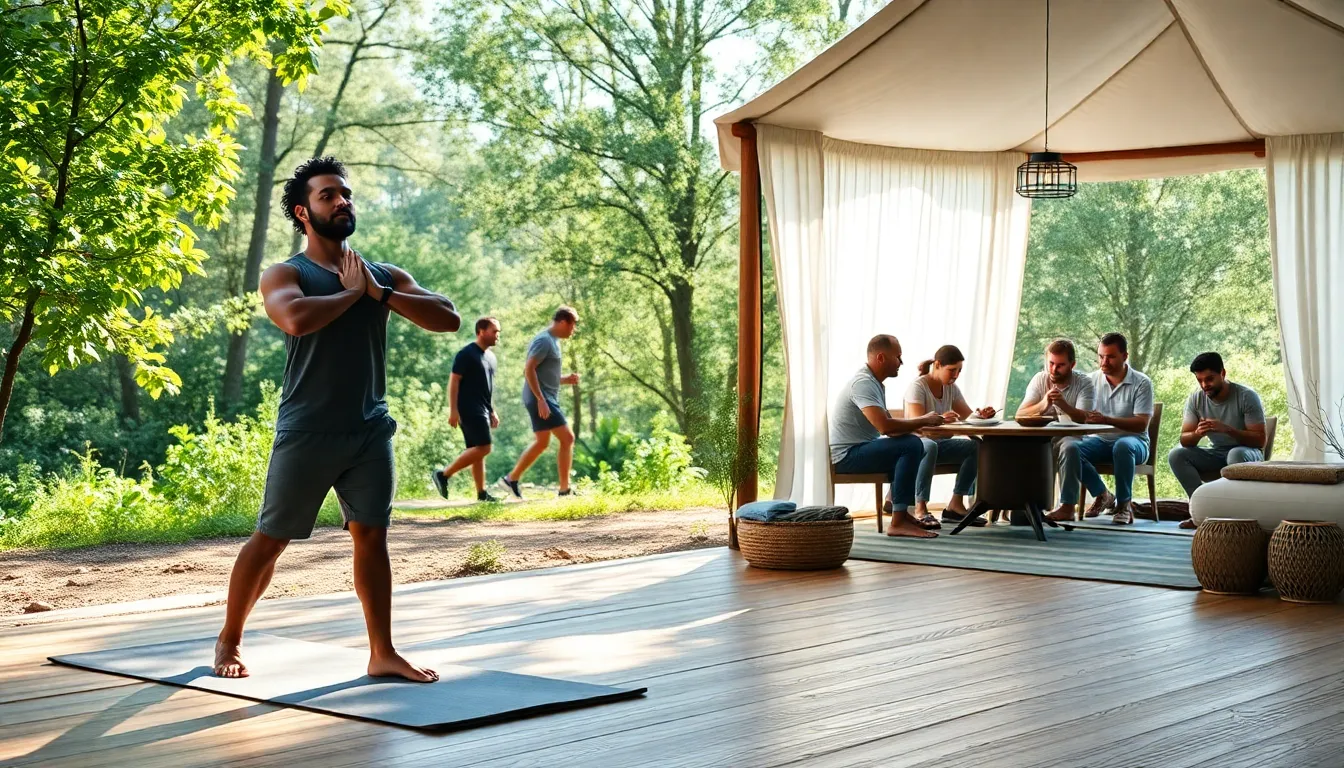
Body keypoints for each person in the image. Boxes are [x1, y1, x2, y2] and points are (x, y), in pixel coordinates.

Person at [214, 157, 461, 682]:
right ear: (304, 212)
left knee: (372, 536)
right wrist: (352, 294)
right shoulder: (286, 274)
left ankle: (382, 653)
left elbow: (448, 317)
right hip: (307, 430)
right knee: (272, 537)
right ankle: (229, 639)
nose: (342, 201)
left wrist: (381, 294)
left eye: (345, 193)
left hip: (370, 429)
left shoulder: (382, 275)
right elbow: (296, 319)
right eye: (329, 196)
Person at [831, 334, 953, 538]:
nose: (901, 363)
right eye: (898, 357)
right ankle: (898, 522)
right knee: (911, 445)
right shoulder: (863, 383)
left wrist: (920, 428)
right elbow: (885, 427)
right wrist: (923, 420)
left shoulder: (874, 383)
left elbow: (891, 429)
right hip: (846, 456)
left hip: (862, 448)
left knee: (914, 444)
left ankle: (903, 515)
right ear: (881, 358)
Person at [1056, 333, 1155, 525]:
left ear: (1125, 356)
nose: (1104, 361)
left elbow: (1141, 423)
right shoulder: (1090, 380)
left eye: (1110, 357)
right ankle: (1099, 495)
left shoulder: (1142, 382)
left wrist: (1107, 419)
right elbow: (1079, 413)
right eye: (1101, 356)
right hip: (1100, 441)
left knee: (1122, 446)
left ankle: (1124, 505)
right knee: (1069, 448)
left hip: (1135, 442)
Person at [1168, 352, 1266, 527]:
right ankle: (1201, 512)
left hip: (1246, 453)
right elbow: (1185, 439)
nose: (1205, 385)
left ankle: (1235, 517)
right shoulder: (1196, 399)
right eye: (1200, 380)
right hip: (1216, 453)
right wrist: (1197, 433)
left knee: (1235, 454)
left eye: (1209, 379)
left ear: (1223, 373)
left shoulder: (1246, 396)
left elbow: (1260, 440)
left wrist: (1228, 429)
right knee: (1177, 455)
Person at [902, 345, 995, 528]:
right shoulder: (918, 387)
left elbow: (969, 418)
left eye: (959, 371)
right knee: (930, 445)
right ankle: (920, 508)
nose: (956, 375)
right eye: (952, 370)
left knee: (977, 446)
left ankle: (955, 505)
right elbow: (916, 425)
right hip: (916, 446)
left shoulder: (952, 389)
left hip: (939, 445)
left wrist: (981, 415)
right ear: (937, 365)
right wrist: (942, 420)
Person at [498, 307, 581, 499]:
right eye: (572, 325)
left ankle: (511, 479)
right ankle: (564, 490)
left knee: (542, 442)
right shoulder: (544, 340)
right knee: (567, 438)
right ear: (562, 322)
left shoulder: (553, 341)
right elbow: (528, 369)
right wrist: (541, 400)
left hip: (542, 397)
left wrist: (565, 379)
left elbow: (544, 375)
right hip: (541, 398)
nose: (573, 330)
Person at [1015, 339, 1097, 521]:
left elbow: (1084, 418)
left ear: (1072, 365)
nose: (1053, 369)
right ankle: (1020, 506)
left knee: (1070, 448)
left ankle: (1068, 507)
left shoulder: (1084, 383)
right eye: (1051, 363)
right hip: (1042, 437)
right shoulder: (1040, 379)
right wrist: (1044, 403)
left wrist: (1063, 405)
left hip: (1072, 436)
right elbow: (1020, 414)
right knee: (1018, 447)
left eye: (1060, 365)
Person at [432, 317, 502, 503]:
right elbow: (454, 381)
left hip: (483, 408)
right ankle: (444, 475)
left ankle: (481, 493)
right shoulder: (466, 354)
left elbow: (486, 388)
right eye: (494, 331)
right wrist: (453, 410)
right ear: (481, 331)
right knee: (484, 447)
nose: (498, 336)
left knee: (476, 450)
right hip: (468, 408)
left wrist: (492, 410)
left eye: (498, 332)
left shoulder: (490, 357)